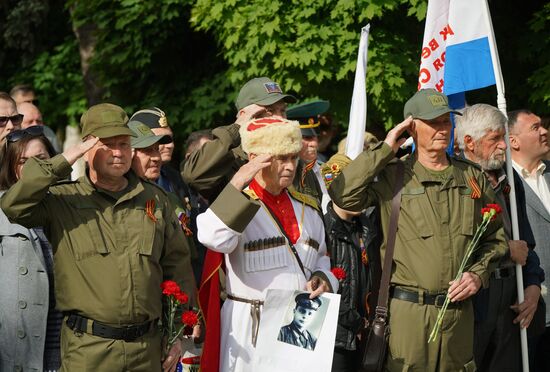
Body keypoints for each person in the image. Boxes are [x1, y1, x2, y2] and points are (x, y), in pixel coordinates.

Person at [0, 103, 196, 372]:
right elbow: (14, 205)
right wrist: (66, 158)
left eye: (124, 144)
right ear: (87, 148)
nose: (118, 153)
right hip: (89, 352)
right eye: (108, 144)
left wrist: (177, 336)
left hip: (147, 352)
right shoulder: (63, 200)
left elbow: (178, 270)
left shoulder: (155, 200)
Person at [328, 89, 508, 371]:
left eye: (446, 121)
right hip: (408, 315)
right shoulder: (394, 175)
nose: (443, 129)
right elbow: (343, 195)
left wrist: (478, 274)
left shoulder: (471, 177)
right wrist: (386, 147)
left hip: (459, 315)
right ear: (412, 127)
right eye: (433, 122)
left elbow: (495, 239)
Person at [197, 116, 338, 372]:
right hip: (250, 329)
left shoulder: (307, 206)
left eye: (293, 158)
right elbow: (211, 237)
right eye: (280, 158)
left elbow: (321, 256)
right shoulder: (239, 205)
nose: (289, 166)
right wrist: (238, 181)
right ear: (256, 159)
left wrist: (324, 276)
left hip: (298, 328)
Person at [455, 103, 544, 371]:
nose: (504, 146)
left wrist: (532, 285)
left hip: (510, 297)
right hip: (476, 296)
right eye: (495, 139)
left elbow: (526, 242)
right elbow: (455, 244)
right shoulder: (455, 180)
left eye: (504, 138)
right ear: (470, 142)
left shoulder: (509, 179)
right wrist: (505, 249)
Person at [181, 76, 321, 204]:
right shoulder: (229, 156)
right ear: (245, 115)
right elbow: (193, 176)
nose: (280, 118)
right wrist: (237, 126)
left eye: (283, 110)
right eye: (270, 111)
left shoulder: (296, 161)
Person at [0, 126, 61, 372]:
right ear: (11, 166)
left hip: (64, 340)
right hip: (16, 343)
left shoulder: (67, 205)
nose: (34, 168)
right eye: (24, 161)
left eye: (41, 160)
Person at [319, 153, 382, 372]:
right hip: (336, 336)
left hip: (368, 333)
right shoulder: (324, 230)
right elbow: (323, 289)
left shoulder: (369, 227)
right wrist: (354, 321)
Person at [508, 109, 550, 372]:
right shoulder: (503, 185)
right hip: (531, 313)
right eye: (535, 128)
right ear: (513, 141)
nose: (544, 131)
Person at [287, 100, 331, 212]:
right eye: (307, 138)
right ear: (292, 139)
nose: (314, 144)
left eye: (316, 137)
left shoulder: (326, 170)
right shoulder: (285, 175)